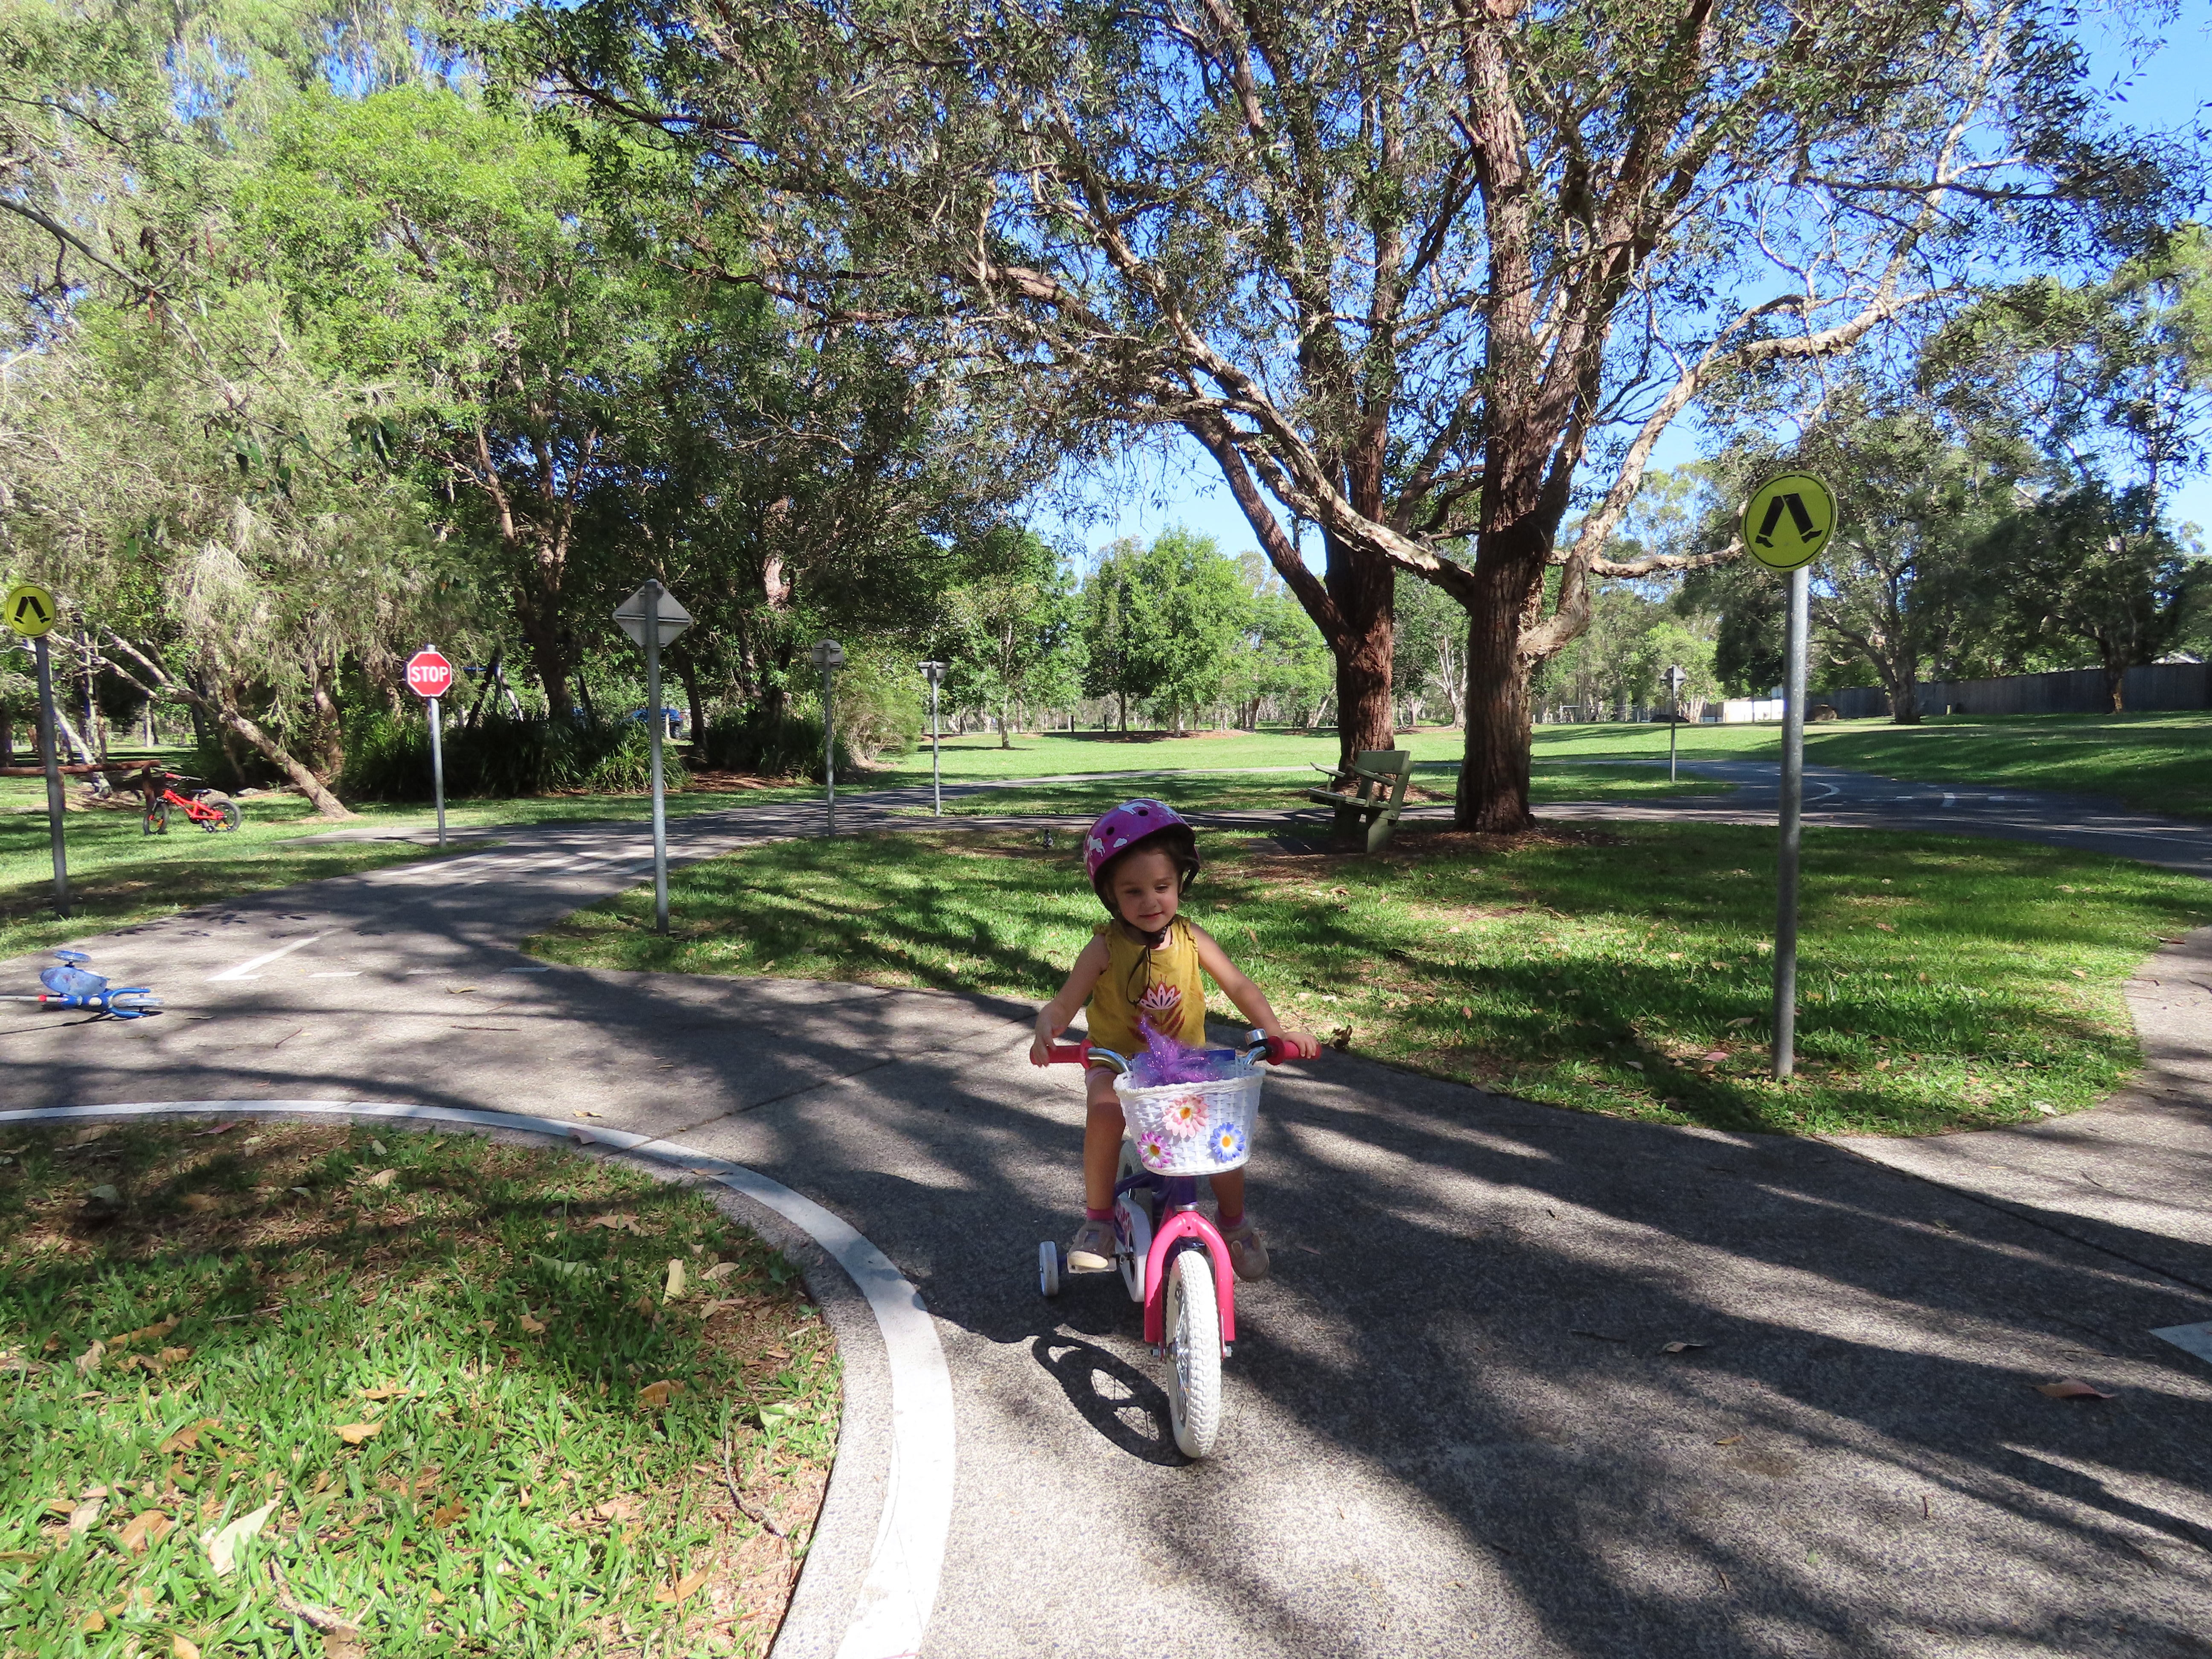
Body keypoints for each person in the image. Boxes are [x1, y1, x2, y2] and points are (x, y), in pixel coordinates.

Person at [1030, 799, 1320, 1281]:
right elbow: (1065, 1003)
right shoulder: (1104, 947)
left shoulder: (1191, 938)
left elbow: (1240, 986)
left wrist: (1276, 1032)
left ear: (1180, 884)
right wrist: (1049, 1026)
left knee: (1222, 1129)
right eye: (1133, 891)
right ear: (1110, 896)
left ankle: (1234, 1223)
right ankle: (1098, 1220)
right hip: (1118, 1063)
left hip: (1186, 1065)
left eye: (1162, 887)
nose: (1151, 902)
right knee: (1104, 1110)